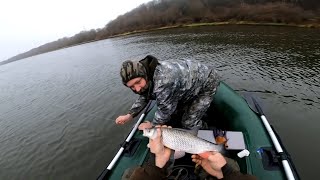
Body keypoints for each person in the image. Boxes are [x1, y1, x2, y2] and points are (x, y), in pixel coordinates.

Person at [115, 55, 220, 130]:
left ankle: (210, 132)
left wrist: (152, 126)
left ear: (144, 75)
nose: (137, 89)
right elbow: (144, 95)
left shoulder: (164, 81)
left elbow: (165, 111)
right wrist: (130, 115)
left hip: (207, 81)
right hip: (188, 80)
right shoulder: (147, 76)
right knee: (176, 112)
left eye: (138, 82)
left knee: (188, 123)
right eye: (132, 86)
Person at [124, 126, 257, 180]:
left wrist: (156, 161)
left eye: (149, 131)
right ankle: (218, 149)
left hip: (193, 147)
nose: (146, 133)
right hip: (192, 148)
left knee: (128, 174)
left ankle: (218, 149)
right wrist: (225, 172)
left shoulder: (160, 135)